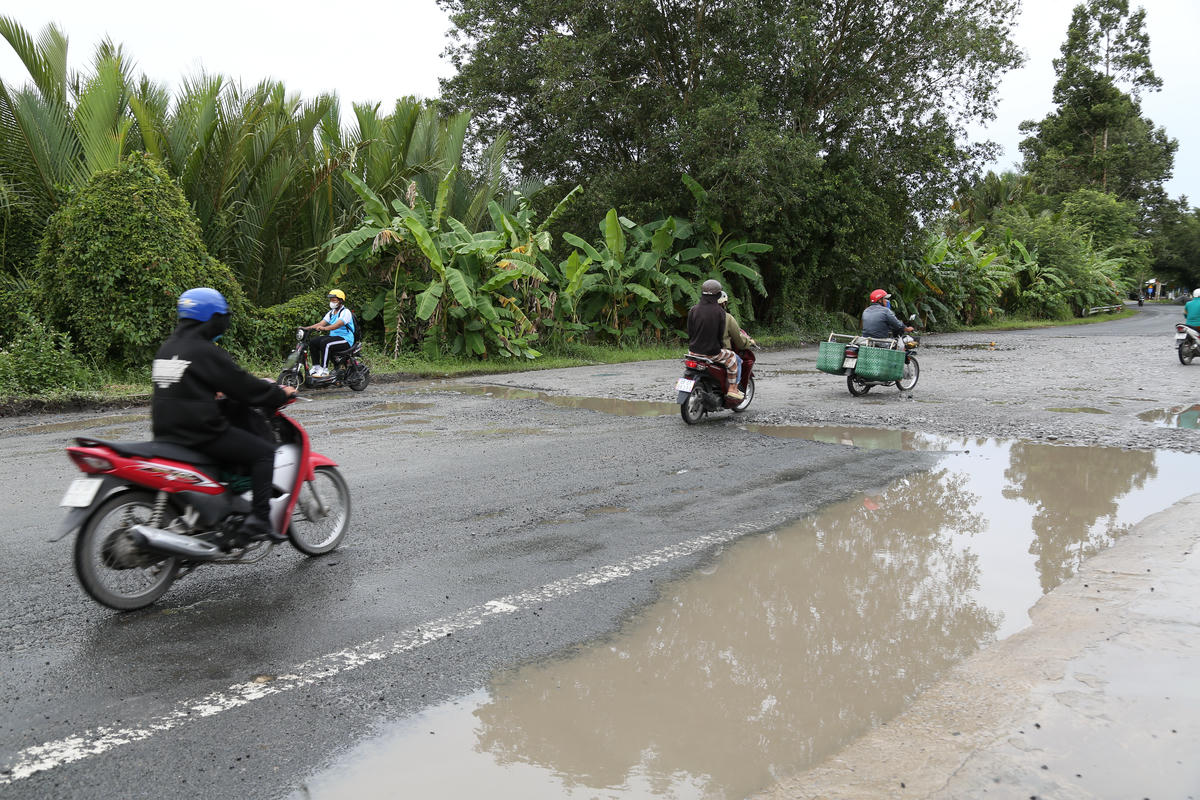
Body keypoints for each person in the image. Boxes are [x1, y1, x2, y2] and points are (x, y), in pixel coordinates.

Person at [151, 287, 296, 542]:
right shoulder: (204, 351)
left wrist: (214, 392)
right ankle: (260, 520)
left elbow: (188, 385)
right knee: (264, 453)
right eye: (222, 317)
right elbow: (243, 386)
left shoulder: (168, 348)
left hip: (165, 433)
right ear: (211, 318)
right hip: (201, 432)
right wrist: (279, 394)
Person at [687, 279, 743, 401]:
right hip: (712, 353)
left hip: (692, 352)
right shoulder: (720, 312)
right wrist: (719, 346)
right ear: (718, 295)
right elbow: (719, 335)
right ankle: (733, 388)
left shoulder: (693, 309)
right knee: (733, 358)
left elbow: (690, 332)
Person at [304, 289, 355, 376]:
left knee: (325, 343)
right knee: (313, 341)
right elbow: (321, 323)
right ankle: (316, 367)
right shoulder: (331, 313)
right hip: (334, 338)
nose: (332, 302)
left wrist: (324, 329)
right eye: (331, 300)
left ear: (340, 301)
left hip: (345, 340)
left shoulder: (345, 312)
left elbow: (338, 325)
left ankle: (324, 370)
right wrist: (306, 328)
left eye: (334, 300)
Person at [717, 291, 757, 387]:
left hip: (694, 351)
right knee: (737, 360)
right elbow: (738, 339)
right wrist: (748, 342)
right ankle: (733, 388)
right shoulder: (727, 317)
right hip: (716, 352)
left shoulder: (697, 312)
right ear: (724, 303)